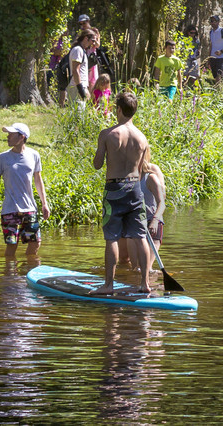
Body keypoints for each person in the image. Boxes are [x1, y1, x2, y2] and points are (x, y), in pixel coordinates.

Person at [93, 92, 154, 295]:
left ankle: (108, 285)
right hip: (135, 190)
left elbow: (97, 164)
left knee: (111, 238)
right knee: (140, 236)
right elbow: (143, 167)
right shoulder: (142, 138)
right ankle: (145, 283)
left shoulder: (108, 134)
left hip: (114, 189)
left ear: (118, 109)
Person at [0, 122, 52, 264]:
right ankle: (11, 278)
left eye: (11, 134)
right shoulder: (2, 158)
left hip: (29, 209)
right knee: (12, 245)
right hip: (9, 209)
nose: (8, 137)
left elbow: (38, 180)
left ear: (22, 137)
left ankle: (28, 271)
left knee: (35, 242)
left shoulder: (34, 155)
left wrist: (44, 203)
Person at [142, 160, 166, 247]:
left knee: (146, 260)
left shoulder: (150, 177)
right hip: (135, 223)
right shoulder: (127, 177)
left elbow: (162, 202)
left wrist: (155, 221)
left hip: (151, 221)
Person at [205, 14, 223, 82]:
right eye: (211, 21)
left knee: (219, 75)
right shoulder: (211, 32)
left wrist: (221, 51)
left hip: (221, 57)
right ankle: (218, 90)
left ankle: (219, 91)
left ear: (218, 22)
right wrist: (209, 57)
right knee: (215, 76)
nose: (213, 23)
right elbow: (211, 45)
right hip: (213, 57)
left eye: (215, 21)